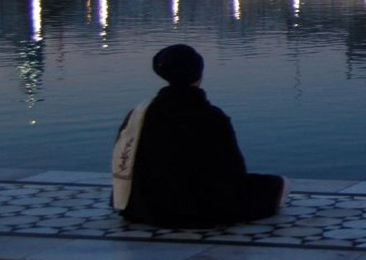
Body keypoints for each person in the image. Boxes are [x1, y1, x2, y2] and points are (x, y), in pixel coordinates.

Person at [113, 44, 288, 228]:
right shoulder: (211, 117)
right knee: (277, 185)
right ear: (199, 74)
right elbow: (232, 172)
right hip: (199, 208)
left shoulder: (140, 114)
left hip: (147, 207)